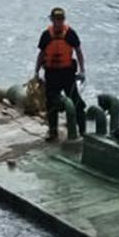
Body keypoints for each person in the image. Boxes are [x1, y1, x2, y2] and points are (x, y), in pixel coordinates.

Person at [33, 7, 86, 141]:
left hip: (67, 74)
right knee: (51, 104)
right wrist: (36, 72)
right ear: (52, 20)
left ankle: (83, 131)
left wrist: (82, 70)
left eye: (61, 19)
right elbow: (41, 54)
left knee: (76, 102)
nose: (59, 22)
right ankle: (53, 132)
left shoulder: (70, 34)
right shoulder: (46, 35)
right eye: (56, 19)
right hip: (51, 74)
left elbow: (78, 51)